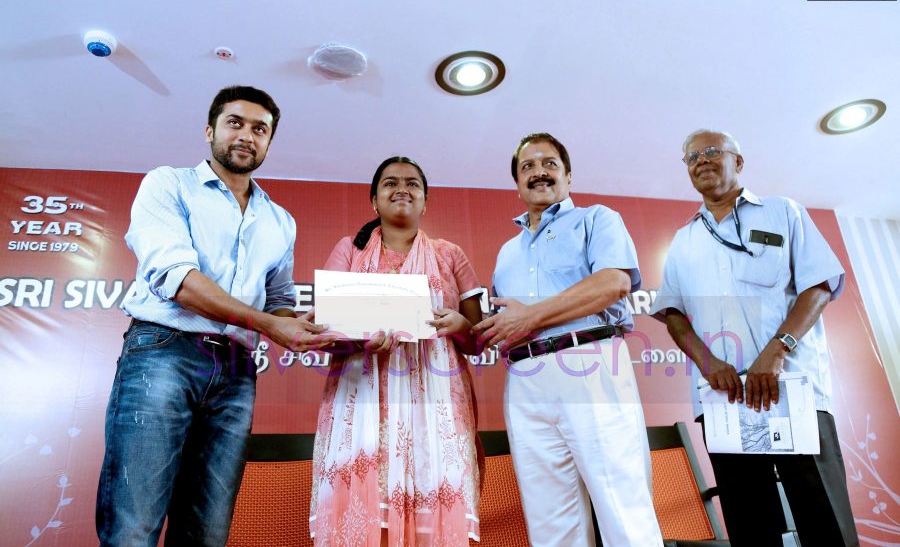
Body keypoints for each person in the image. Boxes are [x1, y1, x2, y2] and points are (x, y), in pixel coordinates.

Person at [96, 86, 331, 546]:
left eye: (260, 129)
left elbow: (278, 297)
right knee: (134, 525)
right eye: (235, 123)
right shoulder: (168, 183)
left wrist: (301, 323)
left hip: (238, 371)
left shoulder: (281, 220)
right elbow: (178, 280)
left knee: (207, 531)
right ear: (210, 131)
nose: (247, 135)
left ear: (268, 143)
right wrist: (268, 323)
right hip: (164, 351)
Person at [649, 129, 859, 546]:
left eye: (712, 152)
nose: (702, 161)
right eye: (692, 157)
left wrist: (777, 352)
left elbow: (818, 285)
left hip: (792, 390)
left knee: (823, 516)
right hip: (725, 401)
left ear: (738, 162)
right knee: (750, 522)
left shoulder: (784, 212)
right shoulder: (684, 240)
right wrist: (709, 365)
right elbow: (673, 315)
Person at [474, 134, 663, 547]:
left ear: (568, 174)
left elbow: (613, 283)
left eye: (549, 163)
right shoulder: (508, 251)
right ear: (517, 184)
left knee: (621, 505)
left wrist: (530, 315)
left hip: (589, 361)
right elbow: (508, 320)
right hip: (524, 378)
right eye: (527, 167)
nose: (538, 171)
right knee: (549, 519)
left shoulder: (598, 218)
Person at [309, 156, 483, 547]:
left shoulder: (449, 255)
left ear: (426, 201)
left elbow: (478, 341)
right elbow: (324, 331)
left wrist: (459, 325)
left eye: (412, 184)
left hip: (435, 406)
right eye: (390, 182)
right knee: (367, 514)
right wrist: (358, 339)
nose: (401, 188)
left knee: (434, 510)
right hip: (362, 399)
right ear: (374, 200)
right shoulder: (349, 251)